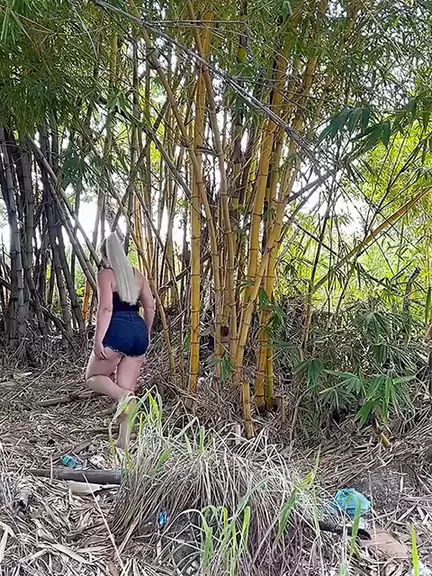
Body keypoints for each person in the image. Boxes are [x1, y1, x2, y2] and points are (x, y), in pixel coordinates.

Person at [86, 232, 155, 449]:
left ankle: (123, 396)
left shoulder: (106, 274)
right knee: (128, 387)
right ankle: (123, 442)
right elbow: (150, 306)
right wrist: (146, 332)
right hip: (138, 331)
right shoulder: (138, 275)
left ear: (104, 254)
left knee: (93, 377)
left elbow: (106, 309)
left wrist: (98, 340)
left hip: (117, 329)